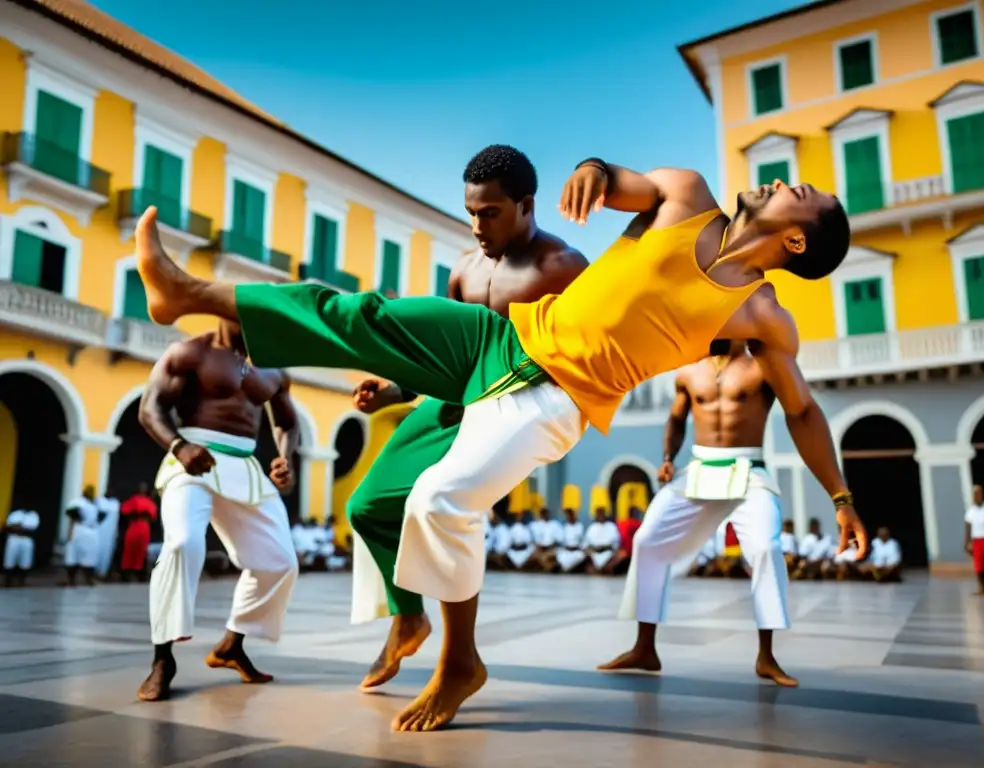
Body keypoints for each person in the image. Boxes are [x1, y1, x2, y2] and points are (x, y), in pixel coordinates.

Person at [133, 155, 866, 730]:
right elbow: (618, 182)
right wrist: (595, 174)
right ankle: (183, 293)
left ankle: (460, 662)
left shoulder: (760, 314)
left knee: (442, 498)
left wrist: (839, 496)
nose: (780, 180)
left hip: (557, 397)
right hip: (502, 338)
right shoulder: (686, 193)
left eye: (798, 190)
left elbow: (800, 411)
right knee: (361, 314)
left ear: (796, 238)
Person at [343, 147, 588, 716]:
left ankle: (461, 661)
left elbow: (581, 361)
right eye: (472, 213)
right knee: (367, 505)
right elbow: (445, 359)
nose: (478, 226)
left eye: (492, 213)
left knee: (446, 503)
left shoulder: (563, 268)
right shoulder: (464, 268)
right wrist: (396, 390)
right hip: (457, 398)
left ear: (526, 206)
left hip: (515, 405)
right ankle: (408, 616)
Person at [602, 338, 858, 686]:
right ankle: (644, 647)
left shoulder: (763, 366)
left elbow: (801, 413)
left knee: (766, 549)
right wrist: (667, 458)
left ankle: (766, 657)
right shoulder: (689, 370)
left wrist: (840, 496)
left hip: (749, 467)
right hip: (698, 467)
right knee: (647, 540)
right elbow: (676, 419)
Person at [135, 321, 300, 702]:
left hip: (244, 465)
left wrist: (284, 457)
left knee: (279, 562)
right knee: (182, 545)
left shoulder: (274, 367)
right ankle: (163, 659)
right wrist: (179, 446)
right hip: (193, 458)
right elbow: (150, 409)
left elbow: (287, 423)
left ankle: (232, 644)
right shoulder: (190, 352)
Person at [63, 486, 104, 586]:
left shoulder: (95, 503)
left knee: (90, 556)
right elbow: (71, 516)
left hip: (92, 531)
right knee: (74, 555)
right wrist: (70, 532)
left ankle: (88, 579)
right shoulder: (78, 502)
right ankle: (71, 580)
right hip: (79, 529)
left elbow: (101, 516)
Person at [120, 483, 158, 581]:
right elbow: (124, 510)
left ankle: (138, 573)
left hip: (144, 527)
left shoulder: (149, 501)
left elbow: (153, 517)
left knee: (141, 550)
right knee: (130, 549)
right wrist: (134, 515)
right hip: (134, 526)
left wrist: (147, 517)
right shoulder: (133, 499)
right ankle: (127, 573)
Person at [3, 508, 39, 587]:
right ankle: (8, 580)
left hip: (27, 539)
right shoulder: (16, 513)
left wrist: (19, 527)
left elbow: (33, 528)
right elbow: (9, 526)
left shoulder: (33, 515)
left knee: (25, 561)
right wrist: (19, 527)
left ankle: (21, 581)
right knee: (10, 559)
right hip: (14, 538)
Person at [584, 507, 621, 574]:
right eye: (598, 513)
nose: (600, 515)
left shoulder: (611, 526)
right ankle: (598, 569)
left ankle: (605, 569)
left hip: (608, 553)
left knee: (620, 556)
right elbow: (587, 543)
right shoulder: (592, 527)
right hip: (594, 553)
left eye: (602, 512)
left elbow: (616, 543)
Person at [555, 508, 586, 573]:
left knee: (580, 556)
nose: (570, 517)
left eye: (571, 515)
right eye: (568, 515)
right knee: (560, 556)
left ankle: (569, 570)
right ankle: (565, 570)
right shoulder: (565, 526)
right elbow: (561, 540)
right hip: (566, 551)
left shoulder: (579, 526)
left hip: (576, 551)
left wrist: (580, 547)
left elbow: (582, 541)